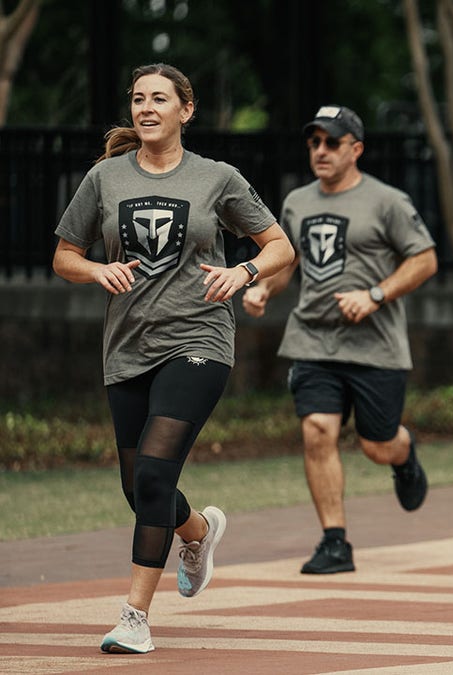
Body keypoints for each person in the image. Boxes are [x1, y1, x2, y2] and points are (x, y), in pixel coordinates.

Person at [52, 63, 293, 654]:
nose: (146, 108)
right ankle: (200, 530)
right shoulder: (105, 178)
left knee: (157, 474)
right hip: (128, 345)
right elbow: (63, 255)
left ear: (187, 110)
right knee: (140, 488)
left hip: (200, 340)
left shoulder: (218, 179)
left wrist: (242, 271)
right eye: (138, 99)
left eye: (159, 98)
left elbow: (279, 246)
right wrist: (95, 269)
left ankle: (134, 617)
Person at [242, 105, 437, 573]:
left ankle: (402, 455)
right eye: (314, 143)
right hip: (313, 339)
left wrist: (375, 294)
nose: (321, 151)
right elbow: (286, 260)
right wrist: (264, 287)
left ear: (356, 149)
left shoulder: (386, 201)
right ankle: (334, 541)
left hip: (375, 343)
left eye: (331, 142)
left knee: (376, 444)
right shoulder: (296, 203)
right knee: (317, 431)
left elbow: (425, 259)